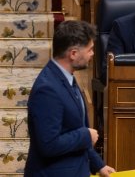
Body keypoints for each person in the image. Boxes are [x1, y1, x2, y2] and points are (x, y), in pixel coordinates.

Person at [24, 20, 115, 177]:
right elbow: (48, 144)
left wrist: (98, 165)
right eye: (90, 50)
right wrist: (85, 136)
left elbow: (74, 127)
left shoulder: (66, 77)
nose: (93, 54)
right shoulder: (48, 90)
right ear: (73, 54)